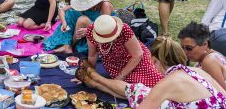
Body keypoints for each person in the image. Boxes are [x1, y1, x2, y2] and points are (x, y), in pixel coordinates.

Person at [75, 36, 226, 109]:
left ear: (153, 60)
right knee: (140, 90)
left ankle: (95, 78)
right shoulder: (197, 71)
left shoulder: (168, 83)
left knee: (138, 91)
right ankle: (95, 81)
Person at [84, 15, 164, 88]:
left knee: (155, 84)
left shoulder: (124, 29)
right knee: (132, 88)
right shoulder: (91, 32)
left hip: (138, 60)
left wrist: (121, 76)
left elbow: (137, 55)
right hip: (115, 65)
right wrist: (89, 73)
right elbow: (92, 55)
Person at [43, 0, 115, 53]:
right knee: (70, 13)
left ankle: (70, 46)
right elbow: (62, 10)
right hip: (88, 29)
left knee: (82, 20)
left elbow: (107, 27)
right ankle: (67, 45)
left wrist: (89, 30)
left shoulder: (105, 4)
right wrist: (64, 23)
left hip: (104, 32)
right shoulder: (84, 0)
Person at [178, 22, 226, 90]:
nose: (184, 52)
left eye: (189, 48)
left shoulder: (209, 61)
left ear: (205, 44)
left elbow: (222, 94)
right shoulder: (210, 56)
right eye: (182, 48)